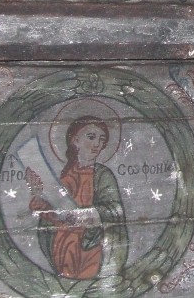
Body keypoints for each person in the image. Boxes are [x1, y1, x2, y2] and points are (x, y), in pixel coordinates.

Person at [27, 116, 127, 280]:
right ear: (75, 140)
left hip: (91, 244)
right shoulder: (65, 176)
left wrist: (84, 215)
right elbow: (52, 214)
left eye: (102, 140)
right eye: (91, 137)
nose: (97, 144)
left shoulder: (103, 175)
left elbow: (115, 210)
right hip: (62, 244)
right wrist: (38, 193)